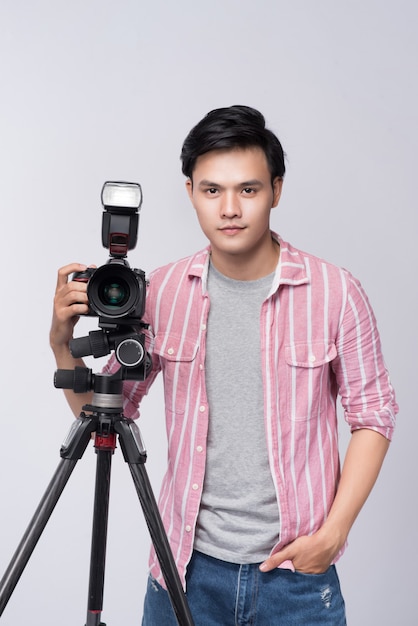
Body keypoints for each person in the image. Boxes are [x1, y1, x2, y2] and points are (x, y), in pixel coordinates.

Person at [50, 105, 398, 625]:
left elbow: (374, 414)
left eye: (249, 190)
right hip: (184, 572)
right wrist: (61, 342)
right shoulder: (162, 292)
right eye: (212, 190)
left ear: (277, 191)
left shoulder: (336, 293)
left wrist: (334, 534)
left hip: (295, 580)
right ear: (190, 192)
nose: (230, 208)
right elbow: (109, 413)